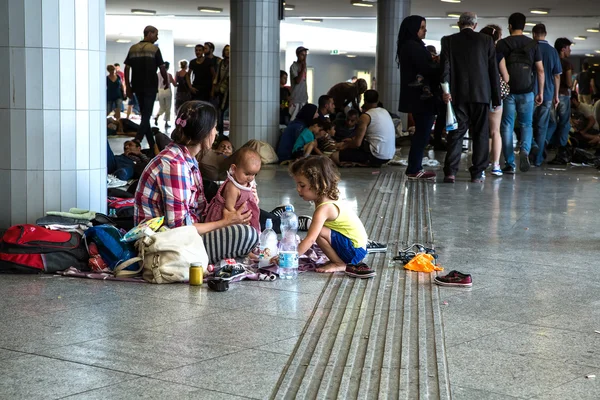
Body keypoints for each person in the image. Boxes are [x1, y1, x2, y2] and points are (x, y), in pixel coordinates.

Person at [134, 100, 259, 264]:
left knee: (253, 216)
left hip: (187, 233)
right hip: (165, 245)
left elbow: (199, 211)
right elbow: (180, 229)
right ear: (205, 132)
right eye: (214, 128)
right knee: (246, 235)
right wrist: (225, 222)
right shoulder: (174, 165)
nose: (215, 132)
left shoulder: (188, 159)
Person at [441, 13, 501, 183]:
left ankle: (450, 172)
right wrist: (496, 98)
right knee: (480, 134)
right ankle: (476, 173)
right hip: (481, 94)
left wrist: (445, 91)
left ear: (459, 24)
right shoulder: (486, 40)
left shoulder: (448, 40)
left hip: (457, 94)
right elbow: (492, 70)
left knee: (456, 133)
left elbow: (445, 68)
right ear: (475, 25)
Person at [290, 156, 368, 273]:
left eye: (302, 185)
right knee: (317, 230)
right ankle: (338, 260)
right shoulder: (328, 199)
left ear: (318, 184)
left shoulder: (324, 208)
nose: (298, 189)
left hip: (354, 251)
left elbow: (310, 240)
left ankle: (339, 263)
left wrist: (289, 258)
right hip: (359, 248)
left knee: (318, 231)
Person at [496, 12, 544, 173]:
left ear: (510, 26)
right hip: (527, 91)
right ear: (524, 26)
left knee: (507, 126)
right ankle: (525, 150)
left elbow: (497, 67)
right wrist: (540, 92)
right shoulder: (533, 44)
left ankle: (510, 163)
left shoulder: (502, 44)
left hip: (508, 91)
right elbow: (540, 70)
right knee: (526, 124)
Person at [397, 15, 439, 180]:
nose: (425, 30)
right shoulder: (412, 47)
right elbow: (427, 69)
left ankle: (415, 167)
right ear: (413, 29)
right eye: (422, 27)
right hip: (422, 97)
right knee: (423, 133)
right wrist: (438, 63)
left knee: (422, 132)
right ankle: (414, 168)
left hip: (418, 96)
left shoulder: (410, 46)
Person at [124, 26, 168, 152]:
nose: (157, 37)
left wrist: (128, 86)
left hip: (137, 86)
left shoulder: (133, 48)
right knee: (146, 115)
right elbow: (162, 67)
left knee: (145, 115)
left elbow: (127, 68)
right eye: (156, 34)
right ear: (149, 34)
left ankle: (152, 143)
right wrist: (166, 80)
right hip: (150, 86)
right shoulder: (154, 49)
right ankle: (138, 139)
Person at [204, 147, 262, 234]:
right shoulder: (233, 187)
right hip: (227, 219)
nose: (251, 178)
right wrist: (240, 222)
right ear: (234, 169)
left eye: (254, 174)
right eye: (247, 174)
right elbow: (229, 208)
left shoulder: (246, 181)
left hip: (242, 216)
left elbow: (250, 195)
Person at [331, 90, 395, 167]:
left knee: (334, 156)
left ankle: (363, 163)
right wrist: (351, 140)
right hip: (389, 155)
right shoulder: (384, 111)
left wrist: (344, 145)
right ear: (377, 101)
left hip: (376, 155)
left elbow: (357, 144)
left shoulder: (366, 116)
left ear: (364, 101)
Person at [479, 24, 511, 176]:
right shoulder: (498, 54)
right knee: (495, 131)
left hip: (478, 95)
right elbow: (506, 77)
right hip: (495, 96)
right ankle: (496, 165)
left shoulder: (477, 53)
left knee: (481, 132)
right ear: (497, 38)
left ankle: (481, 166)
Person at [530, 24, 562, 167]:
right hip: (548, 94)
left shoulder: (530, 49)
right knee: (542, 126)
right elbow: (556, 76)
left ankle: (533, 147)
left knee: (527, 124)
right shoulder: (553, 51)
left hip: (530, 93)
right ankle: (537, 159)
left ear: (533, 34)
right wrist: (556, 95)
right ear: (546, 34)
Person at [546, 38, 573, 160]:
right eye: (568, 48)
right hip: (563, 95)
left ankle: (543, 145)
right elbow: (568, 83)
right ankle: (561, 150)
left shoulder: (551, 60)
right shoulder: (566, 63)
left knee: (551, 123)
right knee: (564, 123)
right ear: (563, 49)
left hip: (551, 95)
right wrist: (571, 84)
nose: (570, 50)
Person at [212, 45, 230, 137]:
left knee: (225, 109)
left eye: (229, 50)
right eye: (226, 50)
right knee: (220, 110)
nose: (227, 52)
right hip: (221, 90)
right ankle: (221, 131)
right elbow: (217, 76)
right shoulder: (221, 63)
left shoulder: (233, 63)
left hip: (229, 90)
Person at [289, 46, 309, 121]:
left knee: (303, 120)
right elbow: (297, 81)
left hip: (304, 99)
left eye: (305, 55)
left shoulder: (304, 66)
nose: (304, 57)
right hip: (296, 99)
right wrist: (303, 68)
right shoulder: (293, 66)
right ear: (297, 55)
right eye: (302, 55)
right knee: (294, 120)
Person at [154, 61, 176, 128]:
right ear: (168, 67)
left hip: (160, 91)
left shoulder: (157, 74)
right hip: (167, 91)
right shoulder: (169, 75)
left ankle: (157, 116)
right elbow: (174, 84)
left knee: (162, 107)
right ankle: (166, 123)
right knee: (168, 107)